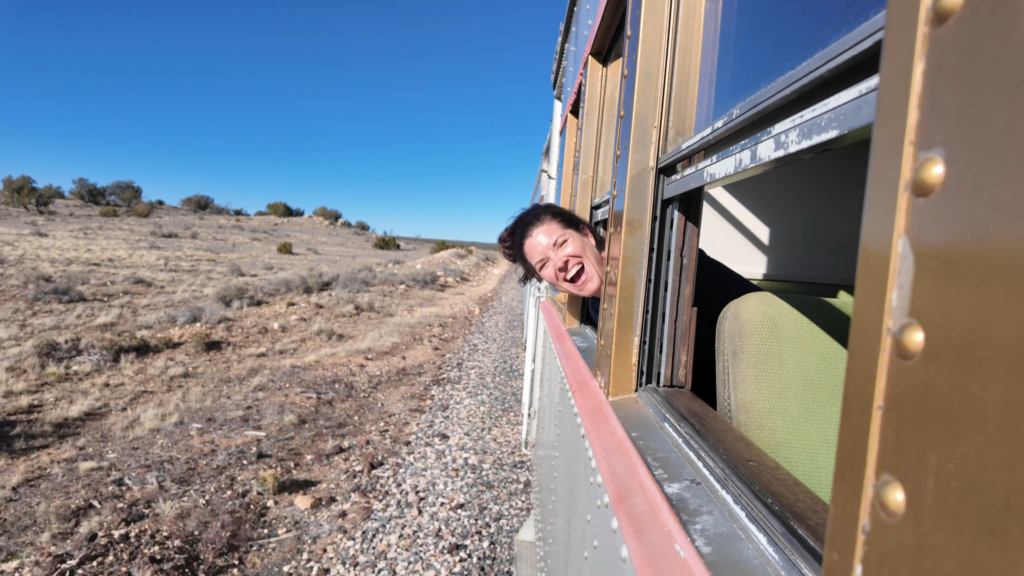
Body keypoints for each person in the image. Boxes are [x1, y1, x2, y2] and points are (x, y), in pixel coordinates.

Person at [499, 203, 760, 407]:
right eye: (544, 265)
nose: (559, 263)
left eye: (562, 243)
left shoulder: (669, 272)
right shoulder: (591, 308)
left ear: (587, 235)